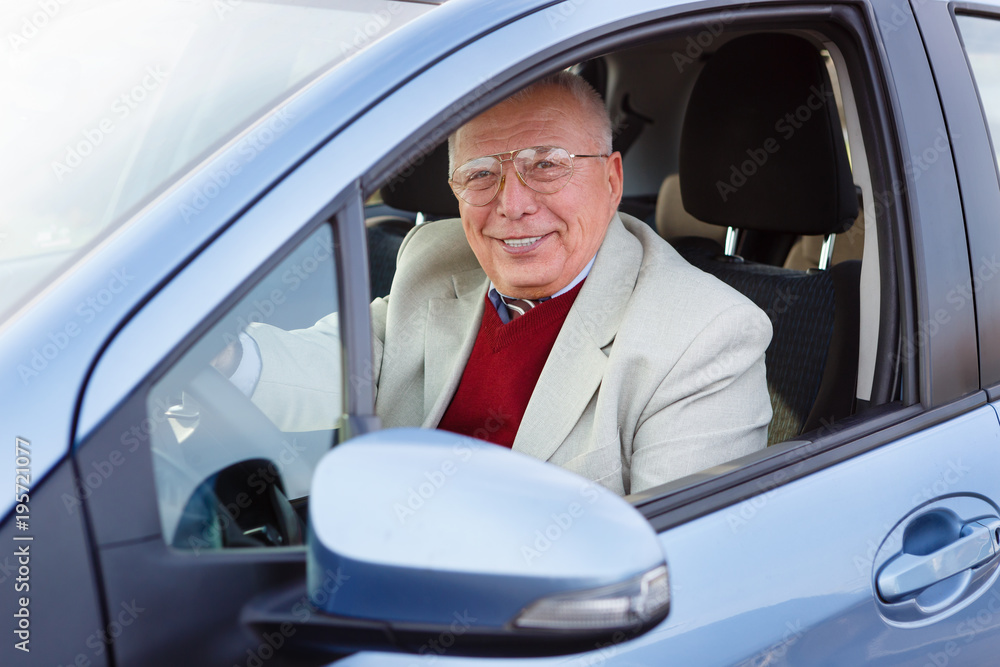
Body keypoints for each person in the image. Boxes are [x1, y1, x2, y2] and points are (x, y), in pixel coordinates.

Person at [227, 71, 773, 496]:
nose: (512, 205)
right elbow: (340, 366)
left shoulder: (707, 334)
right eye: (481, 174)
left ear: (611, 181)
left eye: (546, 165)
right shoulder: (436, 260)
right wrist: (224, 357)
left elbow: (675, 568)